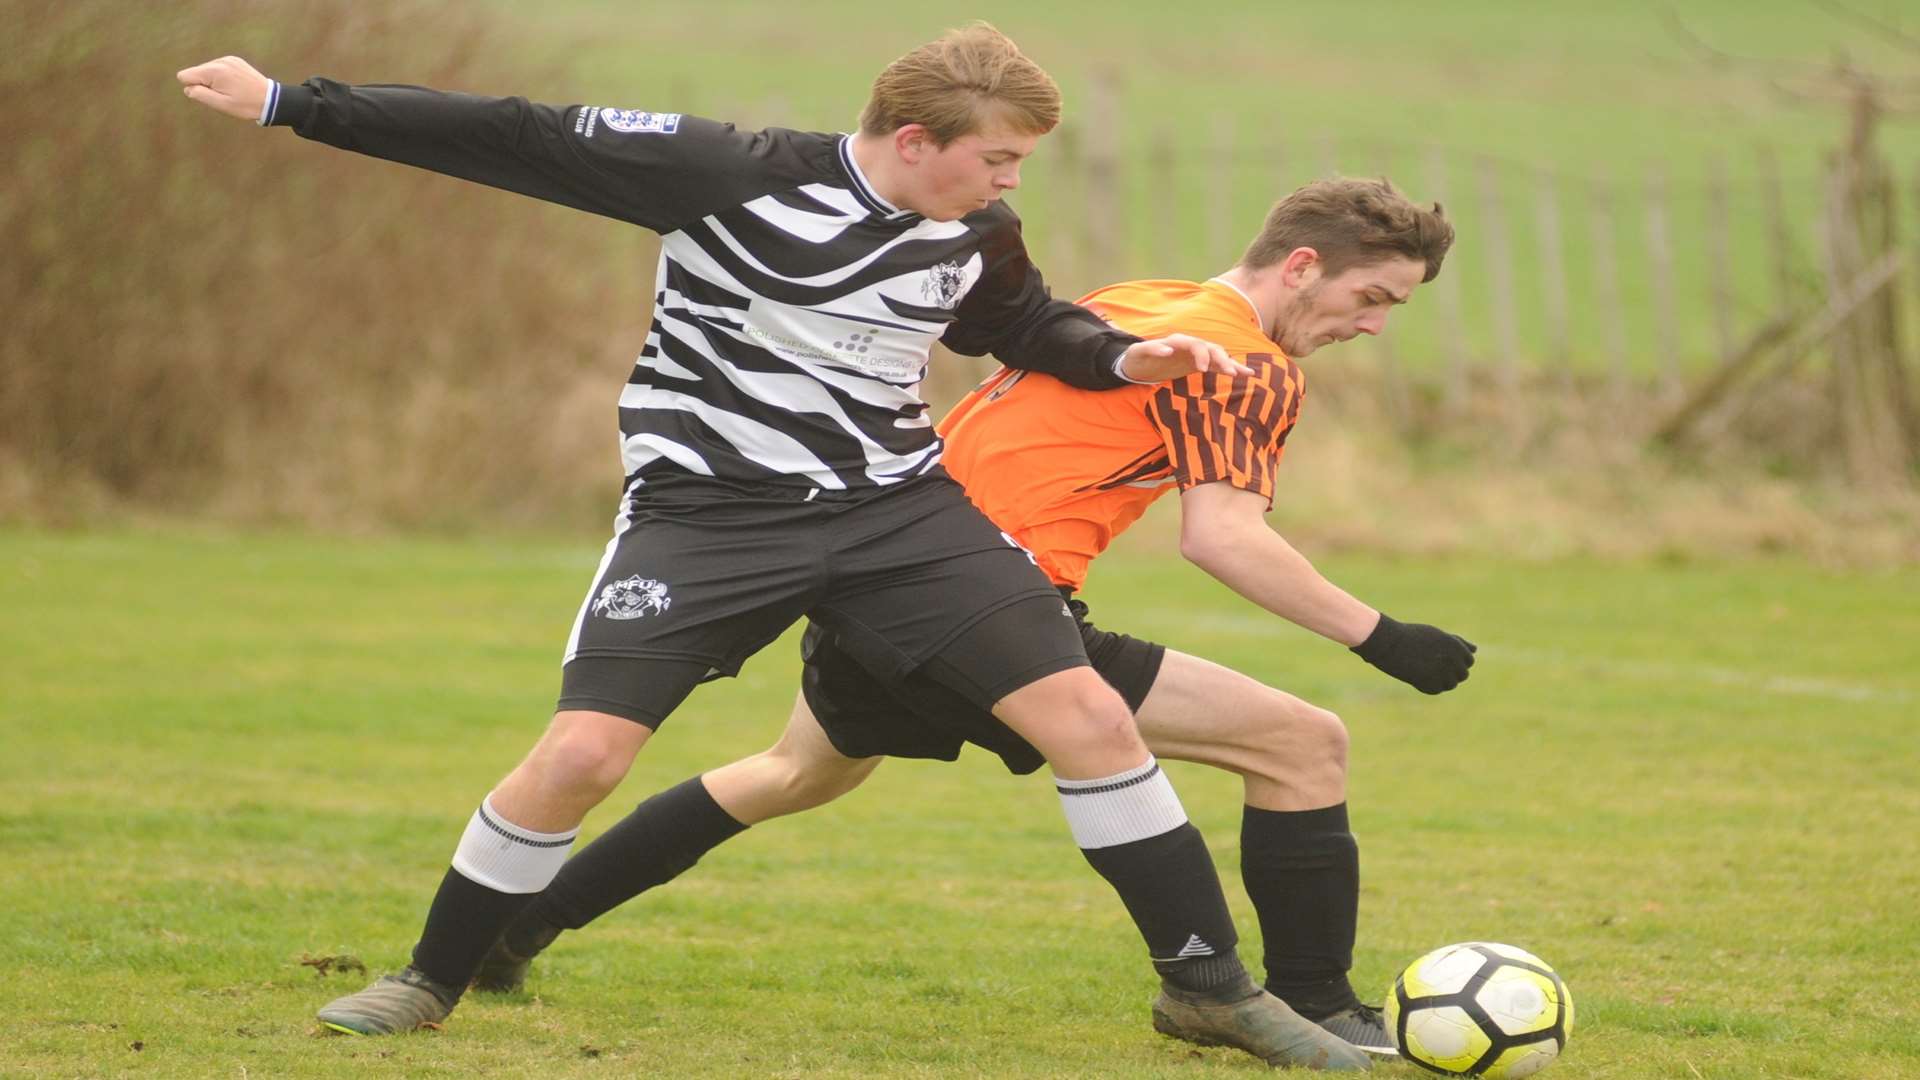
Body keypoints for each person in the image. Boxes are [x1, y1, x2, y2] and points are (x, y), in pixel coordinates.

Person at [176, 25, 1372, 1071]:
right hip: (710, 515)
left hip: (897, 515)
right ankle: (429, 978)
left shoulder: (976, 229)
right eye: (998, 156)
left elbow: (1025, 324)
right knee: (584, 755)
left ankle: (1207, 988)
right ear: (915, 139)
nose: (1010, 180)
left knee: (1090, 720)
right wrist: (293, 102)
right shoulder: (724, 174)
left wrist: (1122, 359)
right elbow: (520, 135)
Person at [474, 178, 1473, 1063]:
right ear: (1303, 266)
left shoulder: (1138, 304)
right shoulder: (1245, 365)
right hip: (979, 602)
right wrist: (1382, 636)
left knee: (796, 774)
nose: (1375, 325)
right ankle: (1310, 1002)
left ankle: (512, 930)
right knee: (1304, 744)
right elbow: (1223, 536)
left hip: (879, 578)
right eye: (1371, 297)